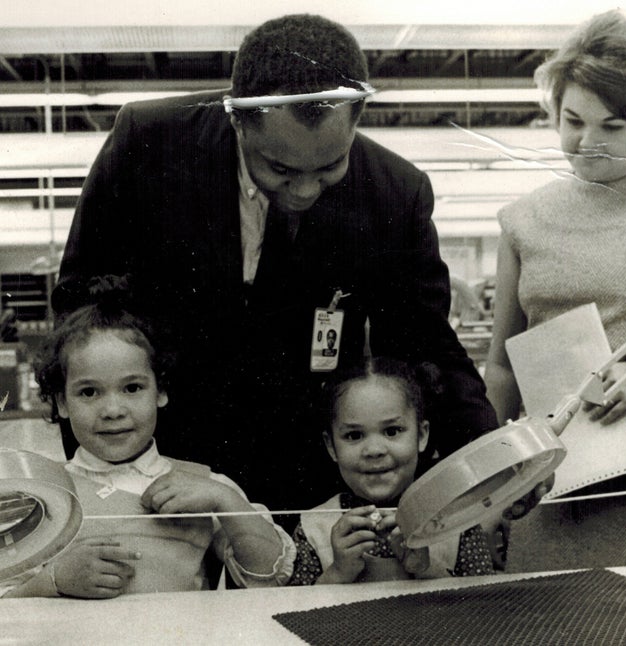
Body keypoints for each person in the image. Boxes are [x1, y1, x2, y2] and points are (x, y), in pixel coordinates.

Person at [52, 13, 498, 517]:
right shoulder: (149, 144)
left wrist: (487, 452)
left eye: (330, 167)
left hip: (303, 466)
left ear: (357, 120)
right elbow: (81, 309)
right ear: (238, 120)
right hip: (153, 460)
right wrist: (101, 451)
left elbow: (424, 342)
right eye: (280, 169)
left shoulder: (394, 191)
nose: (305, 190)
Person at [484, 9, 626, 572]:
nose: (587, 142)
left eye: (612, 126)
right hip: (552, 483)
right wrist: (490, 481)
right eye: (573, 120)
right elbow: (502, 368)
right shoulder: (523, 221)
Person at [1, 276, 294, 598]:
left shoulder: (205, 485)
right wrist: (55, 580)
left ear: (161, 391)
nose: (113, 410)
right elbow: (8, 598)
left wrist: (227, 502)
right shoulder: (44, 495)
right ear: (61, 403)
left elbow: (271, 576)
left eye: (132, 388)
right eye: (89, 392)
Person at [288, 357, 497, 585]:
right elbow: (281, 613)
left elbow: (483, 609)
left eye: (392, 431)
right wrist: (337, 573)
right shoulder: (312, 529)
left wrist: (427, 569)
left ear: (421, 434)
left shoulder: (459, 522)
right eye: (354, 436)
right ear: (331, 446)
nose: (374, 450)